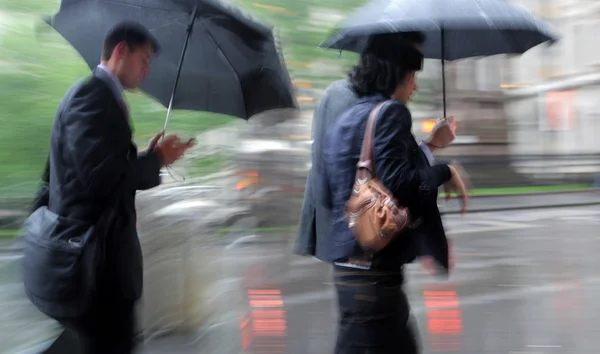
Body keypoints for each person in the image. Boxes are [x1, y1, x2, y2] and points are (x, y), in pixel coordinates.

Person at [46, 21, 193, 353]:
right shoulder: (91, 96)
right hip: (97, 271)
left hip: (99, 267)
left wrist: (151, 157)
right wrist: (155, 161)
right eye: (144, 60)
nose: (146, 70)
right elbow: (99, 179)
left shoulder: (100, 98)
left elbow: (97, 170)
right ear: (121, 51)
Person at [321, 35, 468, 353]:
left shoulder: (348, 118)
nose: (414, 85)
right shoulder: (392, 113)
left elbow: (368, 178)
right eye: (413, 74)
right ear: (396, 73)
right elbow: (403, 186)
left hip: (346, 269)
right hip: (376, 273)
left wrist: (429, 146)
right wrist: (445, 173)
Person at [294, 31, 457, 261]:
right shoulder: (380, 109)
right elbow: (393, 183)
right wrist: (445, 171)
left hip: (348, 245)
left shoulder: (355, 99)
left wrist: (431, 145)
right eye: (412, 61)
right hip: (367, 244)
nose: (414, 75)